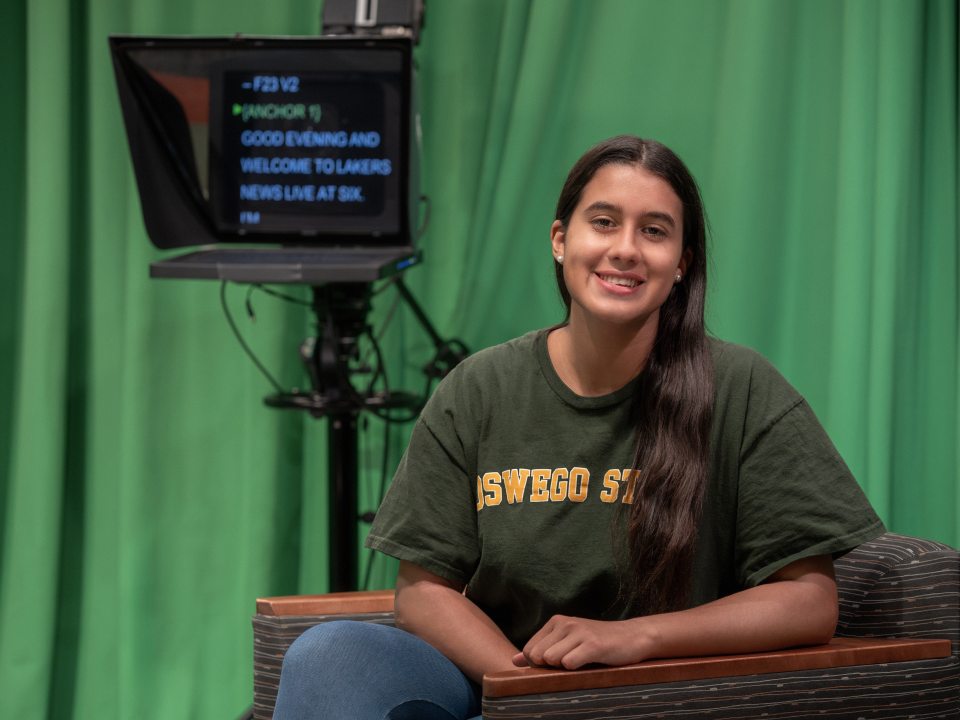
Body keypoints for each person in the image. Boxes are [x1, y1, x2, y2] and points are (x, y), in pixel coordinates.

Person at [272, 136, 885, 720]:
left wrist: (633, 639)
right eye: (604, 222)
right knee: (329, 655)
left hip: (656, 687)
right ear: (561, 241)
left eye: (654, 231)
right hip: (502, 678)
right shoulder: (480, 387)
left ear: (680, 266)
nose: (626, 249)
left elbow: (809, 601)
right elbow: (421, 592)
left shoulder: (742, 388)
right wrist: (530, 692)